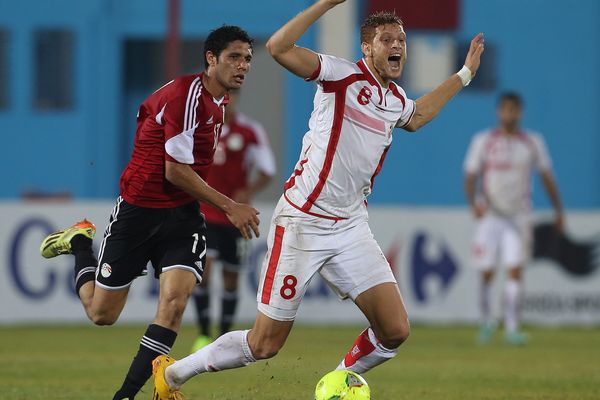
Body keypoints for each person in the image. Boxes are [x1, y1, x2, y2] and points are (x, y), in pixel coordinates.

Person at [151, 1, 484, 398]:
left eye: (402, 40)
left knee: (395, 330)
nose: (397, 45)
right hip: (302, 222)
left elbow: (418, 114)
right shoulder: (342, 75)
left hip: (350, 226)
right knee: (264, 345)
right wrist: (327, 3)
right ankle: (171, 375)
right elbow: (278, 47)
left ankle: (337, 380)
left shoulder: (394, 99)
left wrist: (464, 74)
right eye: (387, 39)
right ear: (367, 49)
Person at [39, 25, 260, 400]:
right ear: (211, 59)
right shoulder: (185, 97)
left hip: (183, 216)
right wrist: (230, 205)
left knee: (173, 305)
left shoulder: (218, 102)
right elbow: (173, 170)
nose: (243, 66)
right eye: (234, 57)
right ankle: (79, 242)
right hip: (139, 212)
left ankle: (126, 395)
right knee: (102, 314)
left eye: (248, 59)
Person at [464, 92, 564, 345]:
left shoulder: (532, 142)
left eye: (514, 110)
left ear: (520, 113)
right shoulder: (484, 141)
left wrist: (558, 210)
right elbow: (470, 175)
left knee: (515, 270)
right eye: (506, 109)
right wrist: (473, 203)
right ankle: (487, 322)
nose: (510, 114)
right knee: (486, 271)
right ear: (499, 112)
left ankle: (511, 327)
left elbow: (546, 176)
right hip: (490, 216)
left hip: (519, 216)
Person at [191, 89, 276, 351]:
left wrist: (248, 191)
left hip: (236, 217)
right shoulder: (200, 128)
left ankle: (222, 339)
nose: (227, 103)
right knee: (204, 272)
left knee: (231, 277)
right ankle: (204, 334)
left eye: (232, 98)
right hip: (205, 212)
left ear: (237, 99)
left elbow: (268, 170)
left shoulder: (250, 131)